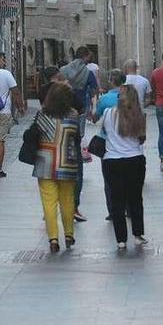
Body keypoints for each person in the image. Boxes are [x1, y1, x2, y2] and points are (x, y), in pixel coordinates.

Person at [32, 82, 82, 253]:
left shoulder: (42, 115)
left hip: (45, 163)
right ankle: (68, 234)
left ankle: (53, 238)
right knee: (67, 200)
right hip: (67, 163)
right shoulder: (73, 115)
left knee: (49, 202)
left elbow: (35, 133)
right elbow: (77, 137)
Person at [100, 84, 148, 249]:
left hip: (112, 160)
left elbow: (104, 132)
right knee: (135, 199)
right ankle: (138, 234)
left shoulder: (107, 113)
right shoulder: (139, 115)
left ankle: (121, 239)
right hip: (134, 159)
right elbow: (142, 138)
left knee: (117, 200)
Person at [59, 46, 98, 221]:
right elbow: (95, 89)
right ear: (85, 56)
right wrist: (91, 106)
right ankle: (74, 206)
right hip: (79, 109)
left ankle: (54, 205)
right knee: (77, 166)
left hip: (62, 112)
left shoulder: (64, 70)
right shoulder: (88, 72)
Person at [93, 69, 127, 221]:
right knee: (128, 178)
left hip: (108, 143)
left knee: (109, 179)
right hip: (128, 142)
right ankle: (129, 208)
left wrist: (94, 106)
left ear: (112, 81)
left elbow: (94, 118)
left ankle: (113, 210)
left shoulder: (105, 99)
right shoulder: (130, 98)